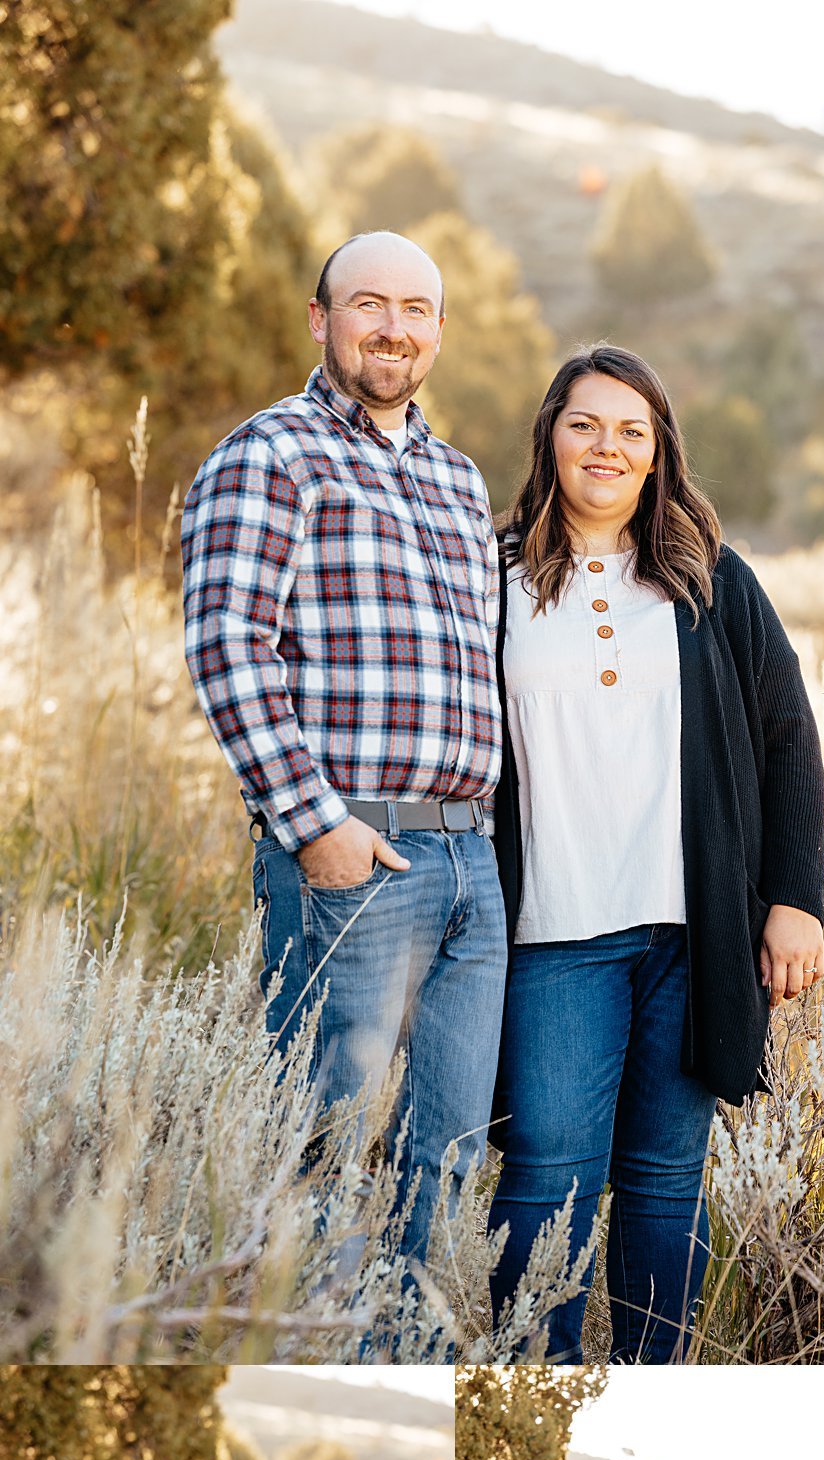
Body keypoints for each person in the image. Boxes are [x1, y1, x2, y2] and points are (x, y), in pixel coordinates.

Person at [488, 342, 824, 1363]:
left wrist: (794, 898)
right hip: (552, 931)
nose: (606, 445)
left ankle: (652, 1370)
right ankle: (529, 1363)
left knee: (664, 1176)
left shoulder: (707, 580)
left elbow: (786, 735)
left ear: (657, 452)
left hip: (694, 933)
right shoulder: (490, 573)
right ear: (549, 436)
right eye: (584, 422)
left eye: (630, 429)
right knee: (546, 1172)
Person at [181, 230, 506, 1268]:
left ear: (439, 331)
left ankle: (406, 1350)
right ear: (320, 319)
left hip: (470, 865)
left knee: (444, 1157)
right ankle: (314, 1340)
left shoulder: (457, 481)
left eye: (415, 310)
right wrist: (314, 823)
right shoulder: (268, 451)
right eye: (368, 304)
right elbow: (226, 642)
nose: (393, 328)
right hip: (351, 859)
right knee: (323, 1153)